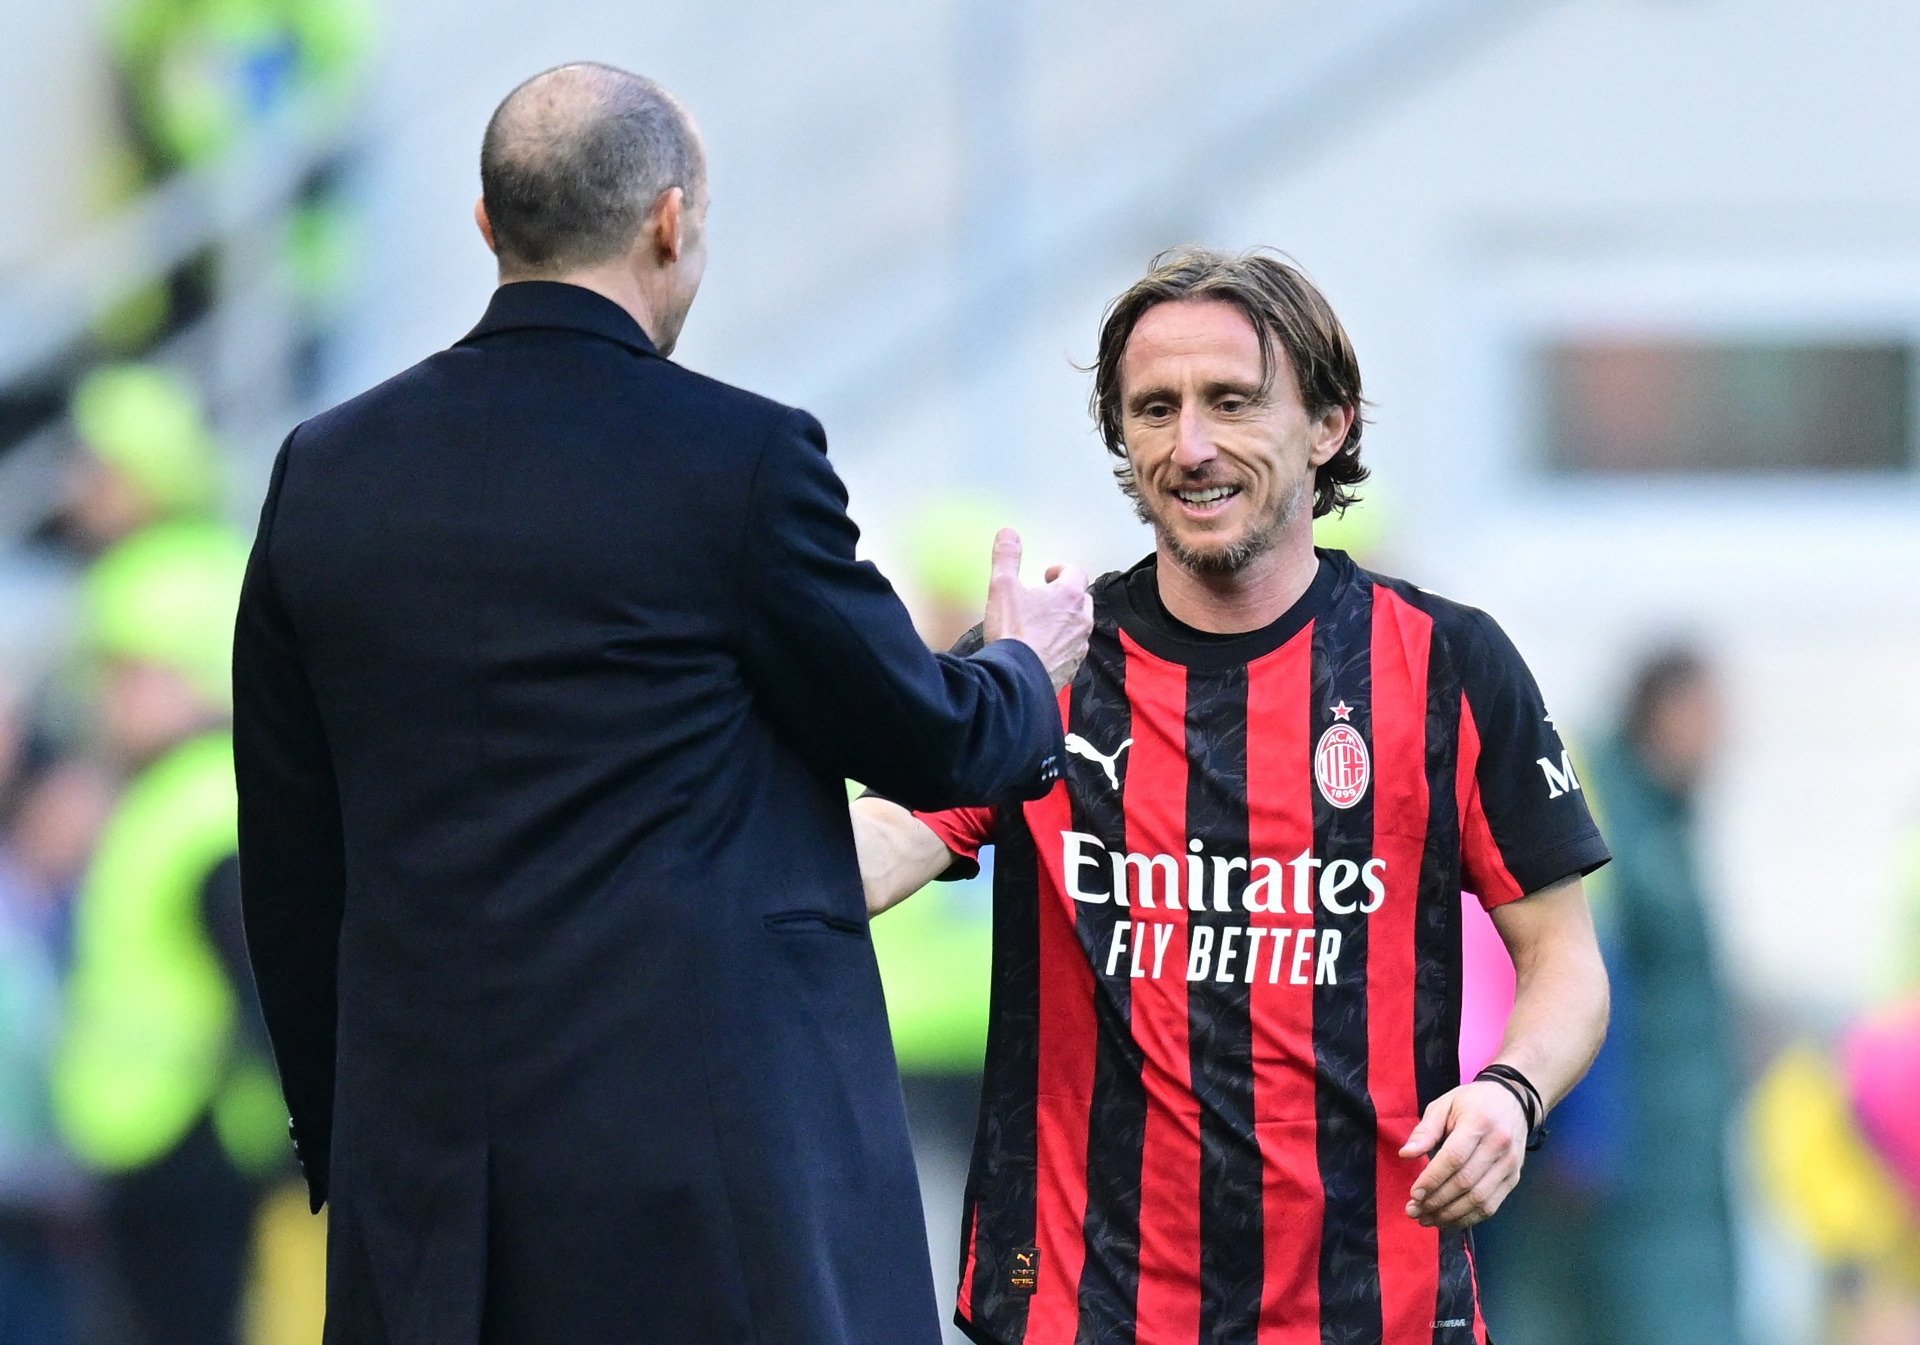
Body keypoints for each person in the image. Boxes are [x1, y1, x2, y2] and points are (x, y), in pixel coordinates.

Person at [232, 62, 1091, 1345]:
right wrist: (1025, 663)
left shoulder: (326, 469)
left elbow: (292, 856)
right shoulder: (740, 460)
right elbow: (933, 734)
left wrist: (353, 1142)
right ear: (670, 222)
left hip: (426, 1181)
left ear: (487, 226)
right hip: (702, 1191)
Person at [853, 247, 1613, 1344]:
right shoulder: (1047, 663)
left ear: (1328, 427)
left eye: (1231, 402)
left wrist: (1510, 1091)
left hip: (1371, 1308)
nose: (1190, 444)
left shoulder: (1452, 664)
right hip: (1085, 1311)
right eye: (1153, 409)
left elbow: (1566, 964)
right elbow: (879, 847)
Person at [53, 521, 288, 1345]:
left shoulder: (205, 808)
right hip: (154, 1147)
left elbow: (273, 1003)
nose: (111, 695)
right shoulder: (180, 794)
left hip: (199, 1152)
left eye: (135, 672)